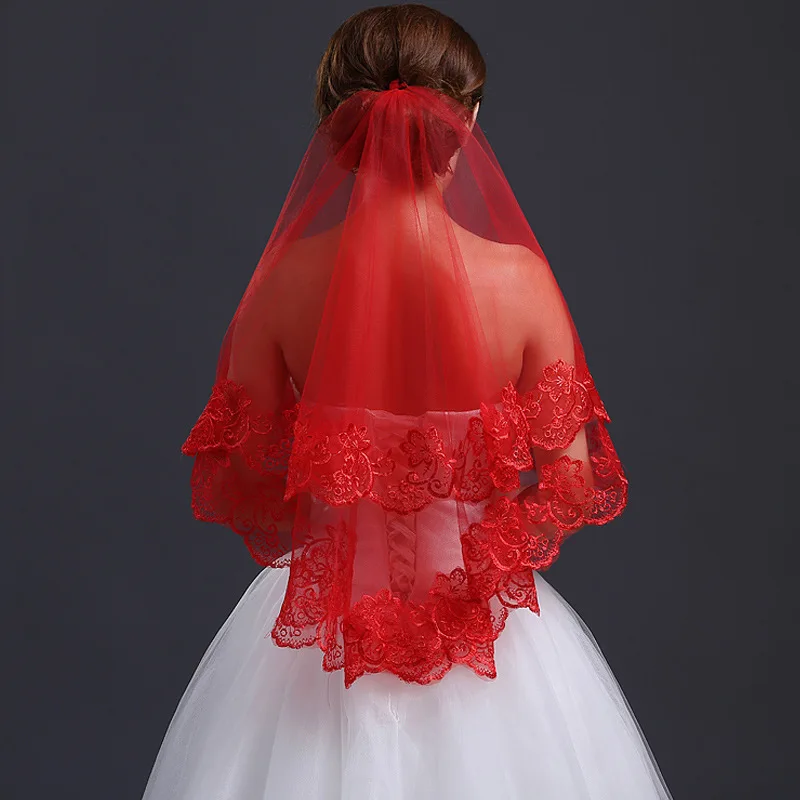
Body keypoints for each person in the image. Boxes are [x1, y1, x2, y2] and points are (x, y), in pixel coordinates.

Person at [142, 5, 673, 798]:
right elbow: (570, 483)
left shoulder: (283, 284)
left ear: (333, 128)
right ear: (469, 122)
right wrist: (473, 576)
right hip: (488, 637)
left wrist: (341, 513)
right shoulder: (521, 283)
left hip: (320, 654)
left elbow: (243, 475)